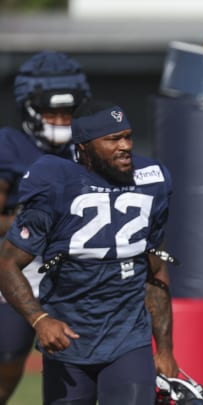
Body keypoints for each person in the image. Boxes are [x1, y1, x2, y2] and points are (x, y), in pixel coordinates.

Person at [0, 100, 178, 404]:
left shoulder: (151, 181)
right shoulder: (56, 182)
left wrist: (164, 349)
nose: (125, 146)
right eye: (113, 139)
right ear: (83, 147)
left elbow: (155, 269)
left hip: (128, 340)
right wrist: (40, 320)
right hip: (68, 341)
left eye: (128, 136)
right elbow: (7, 265)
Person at [0, 50, 91, 404]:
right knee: (8, 358)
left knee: (77, 369)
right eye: (51, 112)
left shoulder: (91, 143)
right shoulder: (10, 147)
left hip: (79, 276)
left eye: (67, 112)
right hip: (23, 269)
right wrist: (38, 219)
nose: (60, 120)